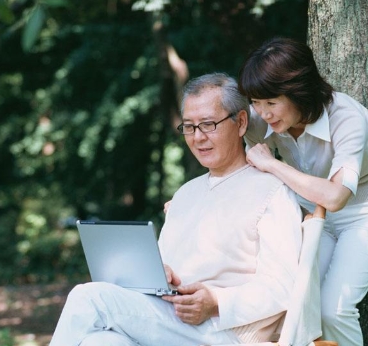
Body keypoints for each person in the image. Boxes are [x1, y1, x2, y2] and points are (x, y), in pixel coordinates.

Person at [49, 73, 304, 346]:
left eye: (208, 124)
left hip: (225, 332)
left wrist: (215, 301)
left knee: (88, 297)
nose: (198, 138)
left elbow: (282, 287)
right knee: (99, 342)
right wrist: (163, 275)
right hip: (171, 321)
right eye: (189, 127)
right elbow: (165, 268)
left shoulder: (272, 190)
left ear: (241, 122)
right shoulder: (185, 194)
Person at [237, 36, 368, 346]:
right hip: (310, 215)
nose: (263, 113)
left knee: (333, 311)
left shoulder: (348, 117)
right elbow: (223, 154)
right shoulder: (260, 118)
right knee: (293, 303)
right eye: (256, 102)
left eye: (271, 102)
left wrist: (274, 166)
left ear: (300, 92)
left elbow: (337, 197)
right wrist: (192, 199)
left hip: (364, 213)